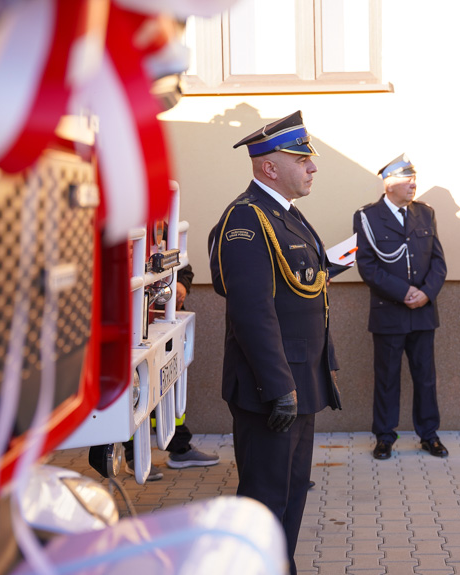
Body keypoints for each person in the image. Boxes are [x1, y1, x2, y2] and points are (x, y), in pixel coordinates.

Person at [208, 111, 342, 575]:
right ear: (268, 167)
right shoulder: (246, 219)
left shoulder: (284, 214)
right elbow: (251, 312)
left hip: (299, 380)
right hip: (273, 389)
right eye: (300, 158)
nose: (312, 167)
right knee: (265, 500)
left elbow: (299, 281)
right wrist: (278, 386)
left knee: (290, 496)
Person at [352, 154, 448, 460]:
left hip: (422, 310)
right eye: (407, 180)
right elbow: (366, 265)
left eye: (414, 179)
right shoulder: (367, 216)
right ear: (389, 183)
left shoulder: (426, 214)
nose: (413, 185)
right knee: (387, 377)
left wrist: (426, 293)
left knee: (426, 377)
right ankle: (384, 436)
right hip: (389, 311)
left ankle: (429, 435)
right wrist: (403, 291)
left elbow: (438, 261)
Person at [123, 265, 219, 480]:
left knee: (168, 381)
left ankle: (179, 447)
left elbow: (182, 266)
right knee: (135, 389)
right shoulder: (124, 237)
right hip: (130, 322)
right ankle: (134, 456)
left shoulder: (164, 234)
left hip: (161, 321)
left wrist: (181, 284)